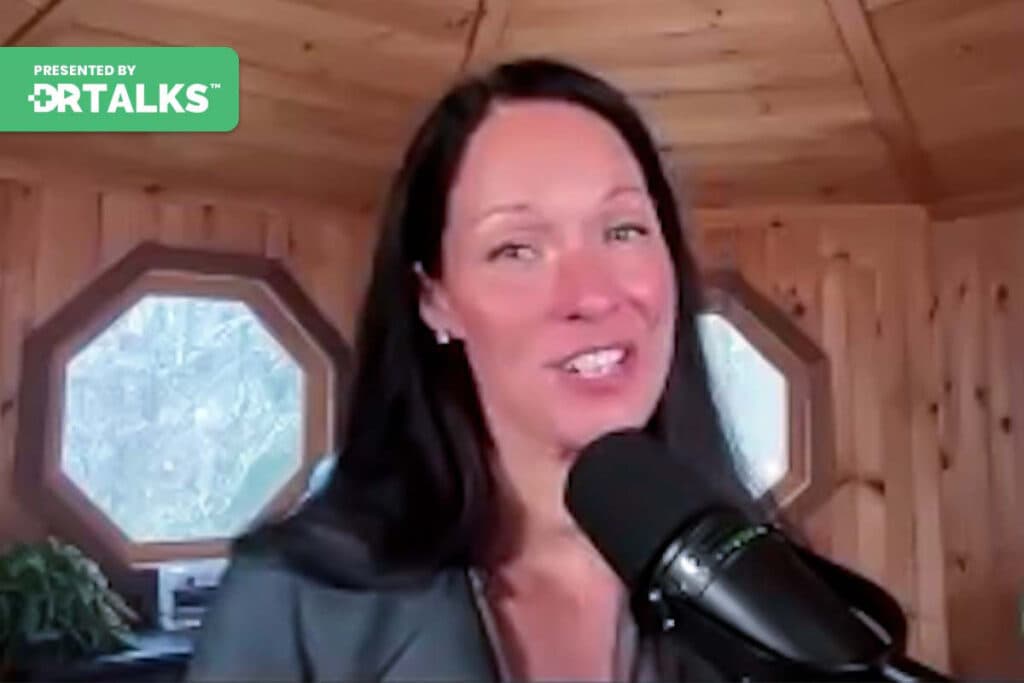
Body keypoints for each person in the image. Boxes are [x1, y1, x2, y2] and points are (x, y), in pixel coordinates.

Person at [188, 57, 766, 682]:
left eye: (623, 230)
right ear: (435, 299)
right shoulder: (289, 604)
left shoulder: (768, 591)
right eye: (516, 249)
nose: (594, 296)